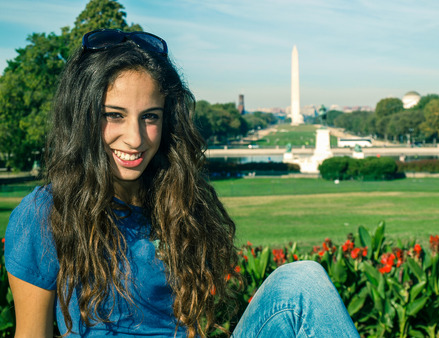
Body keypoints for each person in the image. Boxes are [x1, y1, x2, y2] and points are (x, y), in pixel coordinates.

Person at [5, 29, 359, 337]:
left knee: (302, 282)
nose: (135, 138)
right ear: (82, 117)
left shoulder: (177, 204)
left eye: (150, 117)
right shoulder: (46, 213)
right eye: (114, 115)